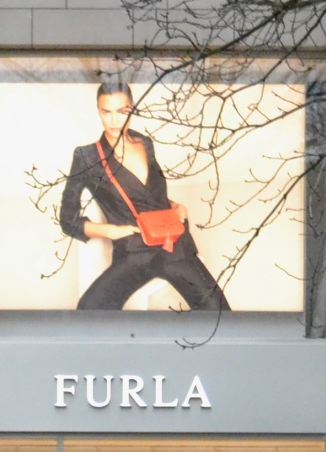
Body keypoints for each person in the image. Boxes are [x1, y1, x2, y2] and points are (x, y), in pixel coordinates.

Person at [58, 80, 231, 313]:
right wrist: (111, 230)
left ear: (133, 108)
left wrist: (178, 209)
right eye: (106, 112)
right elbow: (68, 221)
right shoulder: (87, 157)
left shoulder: (145, 143)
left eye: (122, 112)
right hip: (133, 253)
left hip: (172, 245)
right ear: (98, 110)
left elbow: (153, 195)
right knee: (89, 309)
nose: (114, 120)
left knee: (219, 313)